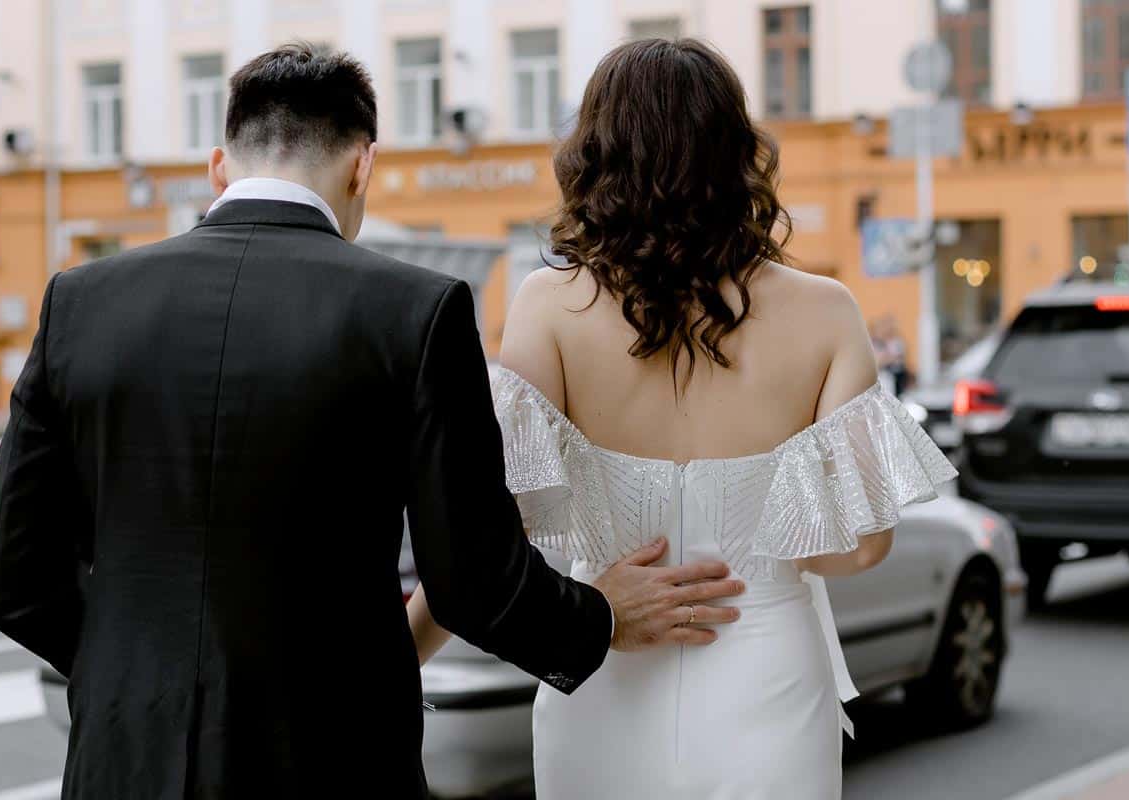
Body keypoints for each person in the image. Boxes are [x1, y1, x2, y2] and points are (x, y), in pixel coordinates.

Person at [0, 44, 744, 799]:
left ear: (221, 166)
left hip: (126, 760)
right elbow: (471, 580)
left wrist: (131, 674)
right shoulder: (414, 310)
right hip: (335, 755)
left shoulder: (80, 302)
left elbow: (15, 581)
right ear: (362, 166)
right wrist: (601, 617)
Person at [408, 39, 957, 799]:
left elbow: (482, 529)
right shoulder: (827, 312)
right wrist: (762, 547)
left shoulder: (548, 304)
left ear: (595, 153)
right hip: (766, 666)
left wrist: (402, 652)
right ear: (738, 153)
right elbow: (862, 548)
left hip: (604, 670)